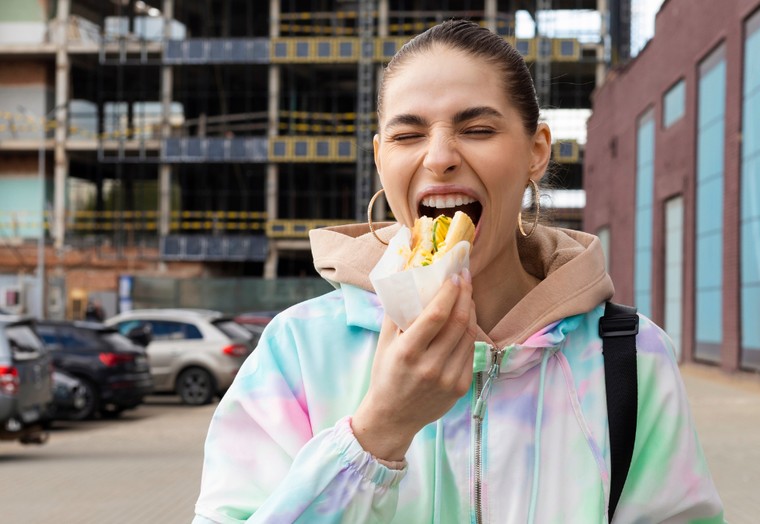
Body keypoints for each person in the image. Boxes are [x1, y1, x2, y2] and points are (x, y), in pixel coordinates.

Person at [193, 20, 724, 523]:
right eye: (407, 136)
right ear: (380, 159)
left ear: (536, 151)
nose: (440, 157)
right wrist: (377, 433)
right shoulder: (298, 351)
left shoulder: (629, 357)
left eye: (477, 128)